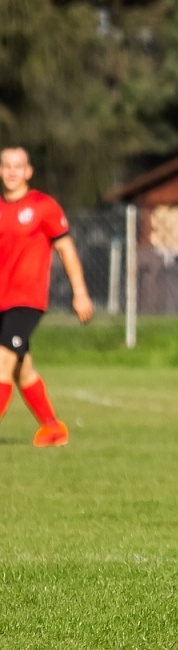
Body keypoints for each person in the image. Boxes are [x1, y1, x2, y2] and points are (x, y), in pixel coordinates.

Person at [0, 147, 94, 446]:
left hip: (27, 300)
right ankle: (53, 427)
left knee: (1, 362)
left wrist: (80, 293)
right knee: (21, 368)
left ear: (29, 171)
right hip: (1, 300)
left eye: (19, 166)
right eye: (6, 166)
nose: (12, 172)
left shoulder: (43, 206)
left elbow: (66, 249)